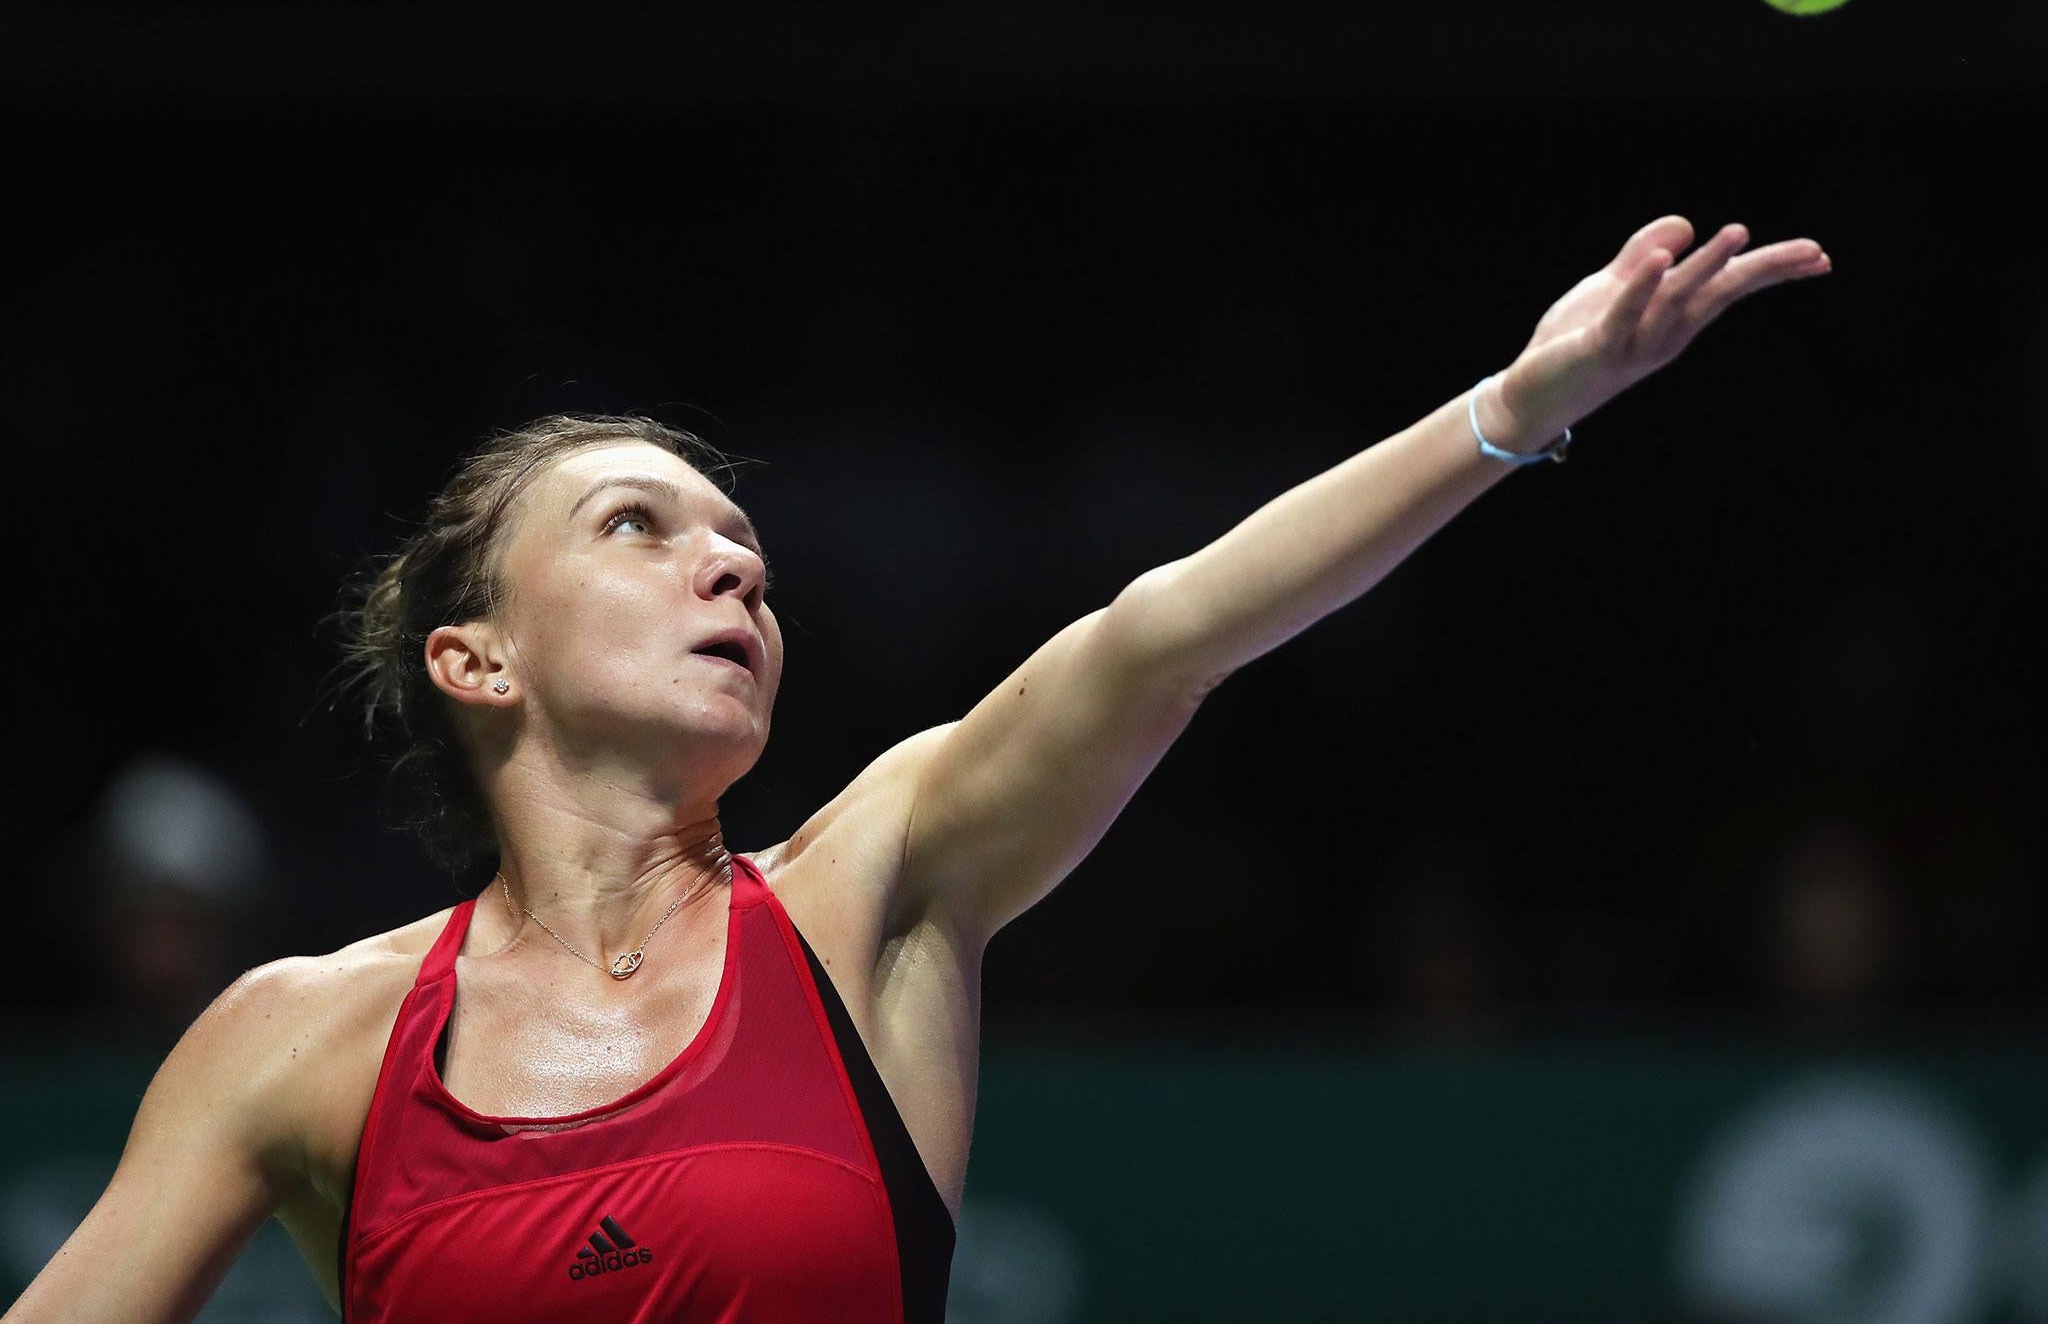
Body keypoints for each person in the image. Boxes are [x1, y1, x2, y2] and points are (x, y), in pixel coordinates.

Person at [4, 215, 1831, 1323]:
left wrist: (1515, 411)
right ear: (475, 659)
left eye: (746, 550)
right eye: (641, 530)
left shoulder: (868, 900)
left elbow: (1168, 627)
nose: (732, 566)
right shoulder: (302, 1042)